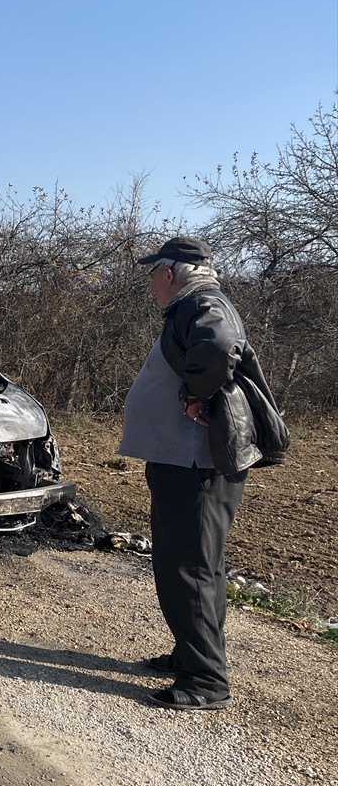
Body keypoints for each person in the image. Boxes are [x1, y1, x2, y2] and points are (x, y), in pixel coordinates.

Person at [120, 236, 288, 712]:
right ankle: (189, 656)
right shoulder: (195, 304)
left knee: (188, 569)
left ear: (169, 273)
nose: (151, 280)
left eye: (153, 272)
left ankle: (205, 681)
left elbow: (218, 348)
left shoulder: (204, 303)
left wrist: (195, 395)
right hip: (184, 460)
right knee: (198, 565)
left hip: (194, 462)